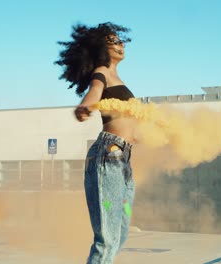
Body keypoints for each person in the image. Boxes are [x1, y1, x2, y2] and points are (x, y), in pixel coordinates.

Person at [55, 22, 136, 264]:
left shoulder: (120, 79)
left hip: (124, 161)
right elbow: (95, 90)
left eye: (122, 41)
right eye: (114, 41)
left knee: (119, 234)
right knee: (107, 239)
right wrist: (86, 105)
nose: (121, 44)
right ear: (101, 46)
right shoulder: (102, 72)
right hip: (109, 156)